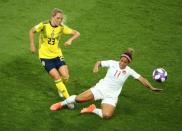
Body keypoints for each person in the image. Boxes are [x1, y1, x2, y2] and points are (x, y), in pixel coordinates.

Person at [50, 48, 163, 119]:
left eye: (125, 62)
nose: (122, 63)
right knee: (79, 99)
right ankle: (61, 104)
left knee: (107, 116)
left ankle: (92, 109)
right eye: (121, 60)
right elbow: (99, 62)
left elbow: (141, 79)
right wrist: (96, 67)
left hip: (112, 96)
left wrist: (151, 87)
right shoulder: (112, 63)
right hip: (100, 89)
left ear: (129, 63)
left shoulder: (129, 71)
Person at [29, 8, 80, 107]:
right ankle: (68, 99)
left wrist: (70, 40)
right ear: (52, 17)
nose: (59, 20)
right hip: (45, 57)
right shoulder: (44, 25)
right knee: (56, 77)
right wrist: (32, 45)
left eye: (61, 18)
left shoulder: (61, 27)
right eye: (57, 18)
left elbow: (77, 33)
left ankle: (60, 88)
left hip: (57, 54)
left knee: (65, 76)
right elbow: (32, 31)